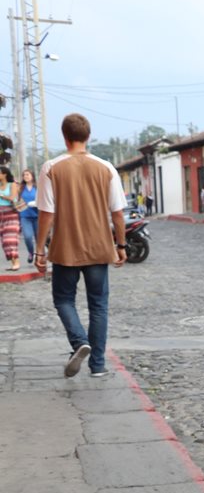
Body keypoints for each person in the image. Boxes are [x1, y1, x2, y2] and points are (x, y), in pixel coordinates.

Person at [34, 113, 127, 378]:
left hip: (65, 248)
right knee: (98, 305)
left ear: (65, 136)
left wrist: (39, 250)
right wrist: (120, 245)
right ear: (88, 136)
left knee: (63, 300)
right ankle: (97, 365)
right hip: (99, 247)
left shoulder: (51, 168)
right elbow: (117, 213)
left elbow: (46, 214)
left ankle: (79, 341)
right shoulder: (106, 167)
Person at [0, 167, 21, 270]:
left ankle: (16, 262)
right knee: (4, 241)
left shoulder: (12, 185)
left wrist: (2, 196)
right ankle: (13, 263)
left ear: (4, 174)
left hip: (11, 214)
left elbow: (12, 198)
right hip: (1, 215)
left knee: (10, 239)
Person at [19, 169, 39, 264]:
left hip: (38, 216)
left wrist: (37, 203)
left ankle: (39, 256)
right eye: (24, 175)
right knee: (27, 237)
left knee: (39, 238)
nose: (25, 176)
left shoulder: (38, 187)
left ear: (32, 176)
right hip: (25, 216)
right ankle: (31, 252)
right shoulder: (21, 188)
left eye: (27, 174)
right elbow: (16, 201)